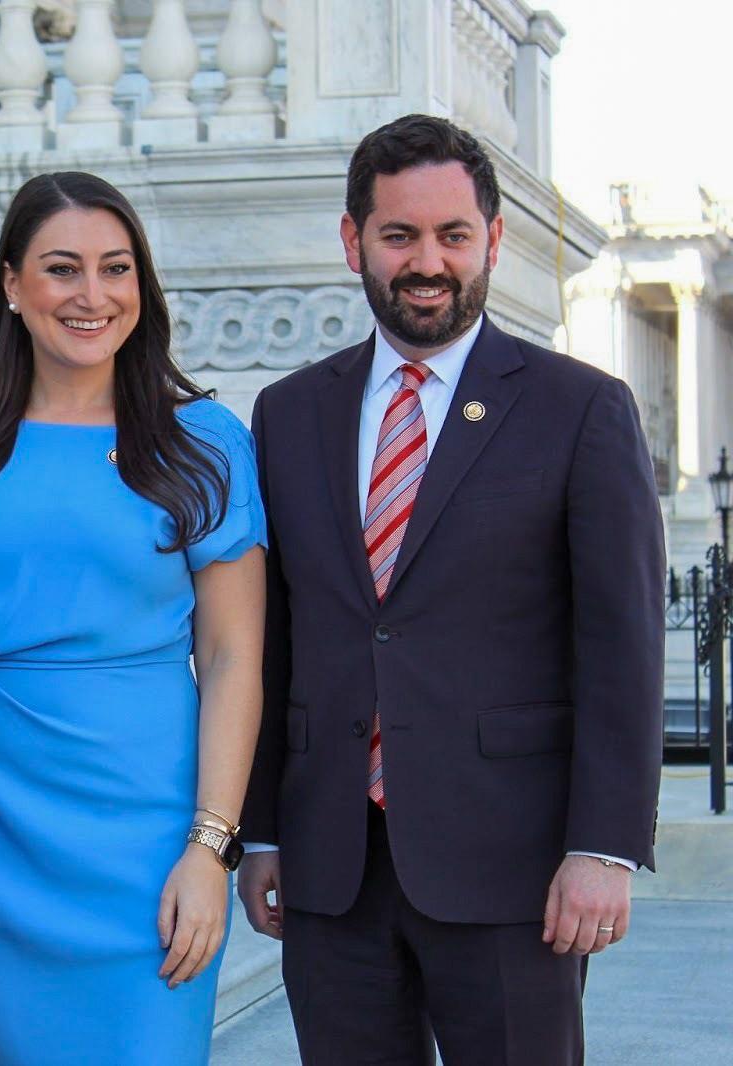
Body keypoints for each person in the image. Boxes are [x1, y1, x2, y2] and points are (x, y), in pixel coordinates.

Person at [237, 114, 665, 1064]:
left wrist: (604, 847)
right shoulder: (289, 413)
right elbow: (274, 639)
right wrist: (259, 828)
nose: (427, 261)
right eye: (399, 236)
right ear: (354, 243)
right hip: (331, 865)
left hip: (514, 869)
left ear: (492, 242)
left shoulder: (581, 409)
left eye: (452, 236)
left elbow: (623, 644)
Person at [0, 171, 267, 1064]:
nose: (93, 296)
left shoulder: (203, 441)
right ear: (14, 286)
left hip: (143, 836)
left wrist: (211, 849)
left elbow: (233, 658)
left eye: (117, 268)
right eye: (63, 269)